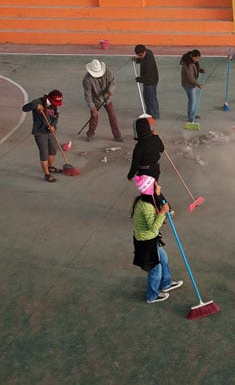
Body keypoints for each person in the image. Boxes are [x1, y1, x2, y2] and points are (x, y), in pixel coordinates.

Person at [131, 174, 183, 304]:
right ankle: (152, 296)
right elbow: (153, 228)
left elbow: (157, 202)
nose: (158, 186)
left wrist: (159, 194)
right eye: (155, 185)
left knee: (163, 259)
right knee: (155, 268)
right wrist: (162, 213)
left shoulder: (146, 199)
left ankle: (166, 283)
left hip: (150, 239)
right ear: (150, 190)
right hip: (147, 242)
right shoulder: (146, 206)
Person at [22, 89, 64, 182]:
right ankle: (47, 174)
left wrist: (53, 126)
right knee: (44, 153)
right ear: (50, 98)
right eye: (55, 102)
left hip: (50, 131)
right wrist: (35, 106)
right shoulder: (38, 102)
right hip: (40, 132)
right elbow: (24, 108)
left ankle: (51, 167)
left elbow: (56, 117)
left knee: (53, 149)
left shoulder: (54, 105)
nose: (56, 105)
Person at [83, 59, 123, 142]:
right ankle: (90, 134)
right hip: (95, 100)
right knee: (94, 117)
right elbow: (88, 96)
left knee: (113, 116)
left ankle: (117, 135)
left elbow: (112, 82)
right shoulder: (87, 80)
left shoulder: (107, 72)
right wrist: (93, 108)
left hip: (107, 99)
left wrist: (110, 91)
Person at [133, 44, 160, 119]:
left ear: (144, 52)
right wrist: (138, 60)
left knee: (151, 98)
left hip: (150, 81)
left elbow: (148, 77)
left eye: (141, 55)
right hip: (147, 80)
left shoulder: (149, 63)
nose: (140, 56)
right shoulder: (148, 52)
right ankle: (149, 112)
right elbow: (142, 59)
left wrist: (139, 79)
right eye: (139, 55)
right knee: (146, 97)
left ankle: (154, 115)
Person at [180, 49, 205, 123]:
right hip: (188, 84)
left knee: (193, 100)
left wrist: (200, 70)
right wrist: (198, 85)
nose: (197, 60)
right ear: (192, 56)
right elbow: (190, 78)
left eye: (198, 58)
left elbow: (195, 68)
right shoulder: (188, 65)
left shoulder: (193, 62)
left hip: (192, 84)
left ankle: (193, 113)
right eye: (196, 58)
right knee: (192, 100)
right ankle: (190, 116)